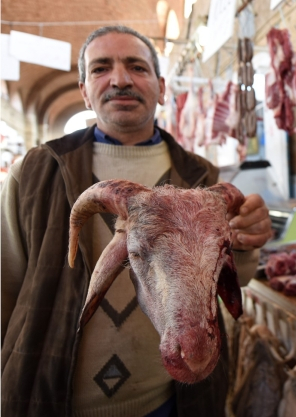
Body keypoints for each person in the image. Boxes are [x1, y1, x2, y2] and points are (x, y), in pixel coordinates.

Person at [1, 26, 272, 417]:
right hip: (48, 396)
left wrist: (246, 241)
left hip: (172, 400)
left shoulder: (201, 176)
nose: (121, 79)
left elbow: (232, 278)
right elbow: (3, 286)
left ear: (161, 87)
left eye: (136, 67)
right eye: (100, 69)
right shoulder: (35, 172)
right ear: (84, 90)